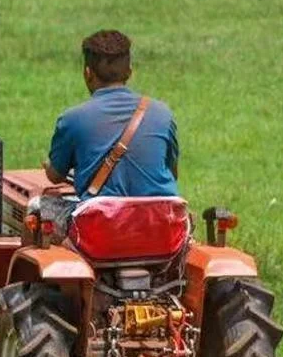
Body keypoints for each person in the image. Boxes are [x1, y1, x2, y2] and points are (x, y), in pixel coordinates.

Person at [36, 30, 179, 239]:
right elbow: (172, 172)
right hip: (162, 227)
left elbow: (55, 176)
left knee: (35, 208)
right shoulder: (163, 114)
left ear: (87, 73)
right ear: (129, 71)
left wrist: (50, 166)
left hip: (102, 231)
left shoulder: (72, 119)